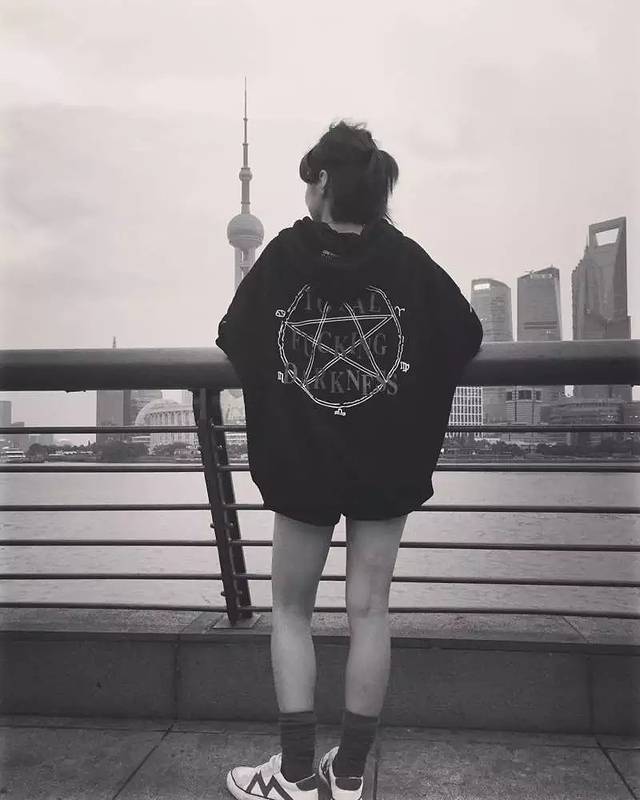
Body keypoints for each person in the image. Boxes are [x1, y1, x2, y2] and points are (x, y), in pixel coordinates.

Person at [218, 120, 483, 800]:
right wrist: (397, 402)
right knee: (370, 612)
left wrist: (295, 400)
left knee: (290, 611)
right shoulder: (406, 258)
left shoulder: (284, 256)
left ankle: (296, 774)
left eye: (308, 179)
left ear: (323, 182)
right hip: (386, 462)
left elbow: (235, 336)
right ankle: (351, 773)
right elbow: (464, 333)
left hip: (302, 460)